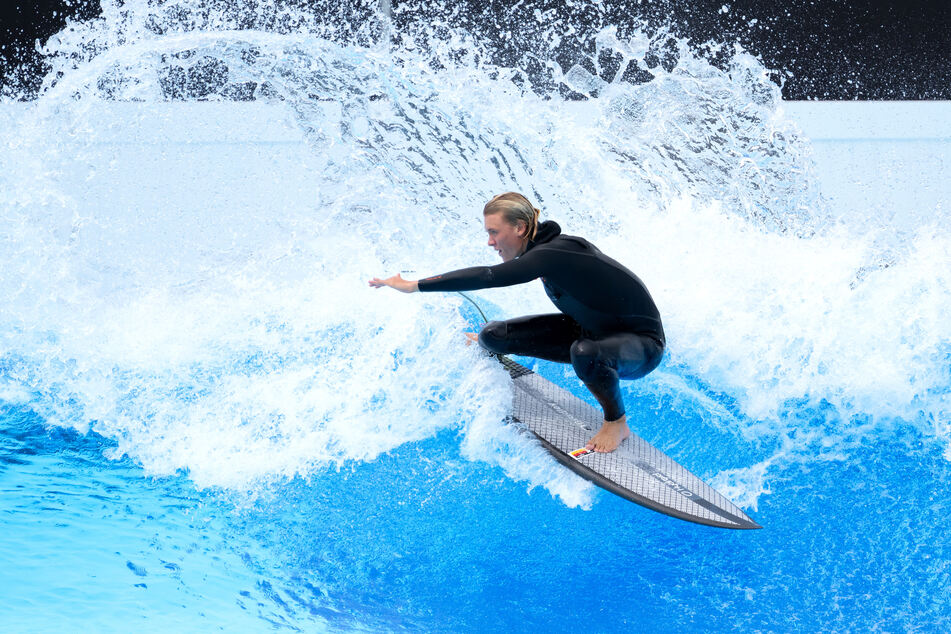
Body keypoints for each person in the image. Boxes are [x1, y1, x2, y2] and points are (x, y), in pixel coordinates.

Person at [369, 192, 665, 453]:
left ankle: (617, 422)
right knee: (493, 336)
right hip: (592, 331)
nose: (490, 242)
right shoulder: (543, 252)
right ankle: (486, 340)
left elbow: (490, 276)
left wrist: (413, 285)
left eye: (494, 232)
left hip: (639, 345)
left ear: (520, 228)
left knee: (585, 352)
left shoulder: (556, 252)